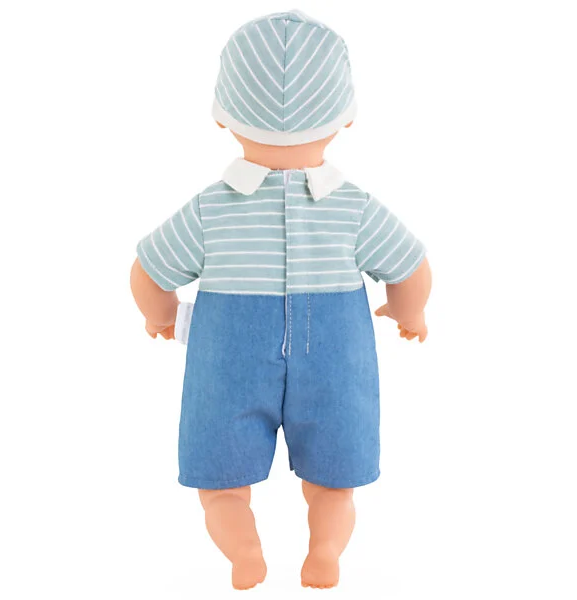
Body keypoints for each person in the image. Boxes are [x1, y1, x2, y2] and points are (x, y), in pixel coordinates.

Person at [130, 10, 431, 590]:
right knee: (334, 482)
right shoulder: (354, 209)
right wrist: (409, 311)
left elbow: (147, 272)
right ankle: (326, 551)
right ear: (346, 117)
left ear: (222, 116)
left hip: (228, 359)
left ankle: (245, 554)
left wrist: (161, 315)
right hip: (335, 358)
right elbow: (412, 268)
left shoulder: (211, 210)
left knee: (220, 483)